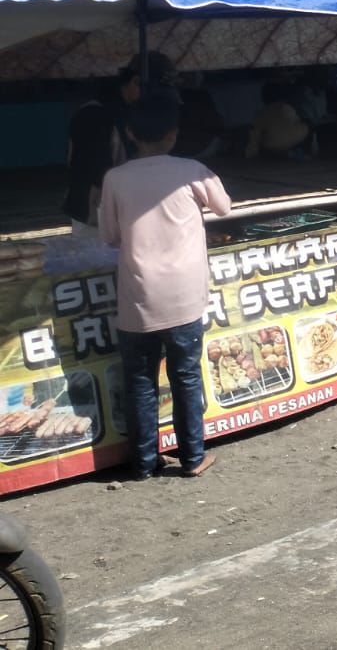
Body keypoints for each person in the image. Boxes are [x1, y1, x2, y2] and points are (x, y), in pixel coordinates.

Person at [98, 91, 231, 480]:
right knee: (186, 376)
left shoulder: (115, 178)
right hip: (185, 297)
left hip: (138, 300)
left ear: (129, 133)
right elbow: (224, 206)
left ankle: (143, 463)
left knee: (140, 380)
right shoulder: (192, 170)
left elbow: (107, 235)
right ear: (173, 134)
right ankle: (192, 457)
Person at [63, 53, 177, 232]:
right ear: (135, 82)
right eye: (154, 93)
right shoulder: (93, 115)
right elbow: (97, 173)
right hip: (94, 215)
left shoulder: (133, 111)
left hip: (128, 210)